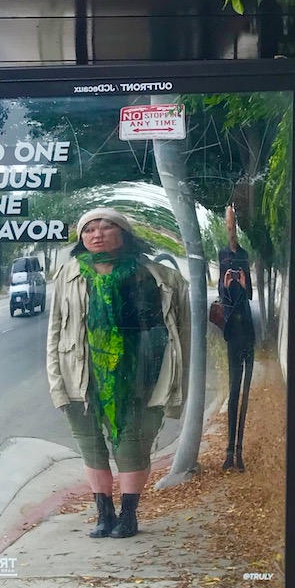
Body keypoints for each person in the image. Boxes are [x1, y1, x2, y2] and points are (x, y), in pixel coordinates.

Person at [46, 208, 190, 538]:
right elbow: (55, 334)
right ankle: (103, 514)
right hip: (81, 376)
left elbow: (180, 333)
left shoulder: (157, 276)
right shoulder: (68, 275)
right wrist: (56, 383)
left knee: (133, 447)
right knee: (91, 446)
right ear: (81, 239)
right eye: (89, 230)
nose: (97, 234)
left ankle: (129, 515)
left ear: (124, 233)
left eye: (106, 227)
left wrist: (176, 381)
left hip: (138, 377)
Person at [218, 204, 255, 471]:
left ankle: (240, 451)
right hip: (232, 331)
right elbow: (222, 294)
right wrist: (227, 285)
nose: (230, 227)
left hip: (247, 333)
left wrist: (241, 285)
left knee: (244, 393)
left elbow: (250, 293)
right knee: (233, 392)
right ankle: (230, 451)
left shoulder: (243, 255)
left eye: (233, 222)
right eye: (227, 222)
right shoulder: (221, 255)